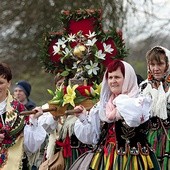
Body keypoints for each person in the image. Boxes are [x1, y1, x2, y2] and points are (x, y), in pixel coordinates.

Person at [73, 59, 160, 169]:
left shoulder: (138, 102)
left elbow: (134, 118)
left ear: (127, 79)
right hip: (104, 160)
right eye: (110, 77)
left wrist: (120, 100)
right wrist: (83, 118)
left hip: (133, 159)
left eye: (117, 77)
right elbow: (93, 137)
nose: (113, 81)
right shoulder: (103, 106)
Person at [0, 62, 47, 170]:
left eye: (1, 83)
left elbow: (31, 147)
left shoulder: (20, 110)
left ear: (9, 83)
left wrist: (34, 121)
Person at [140, 46, 170, 169]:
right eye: (152, 64)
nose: (156, 69)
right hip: (149, 138)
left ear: (167, 65)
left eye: (160, 64)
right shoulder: (143, 87)